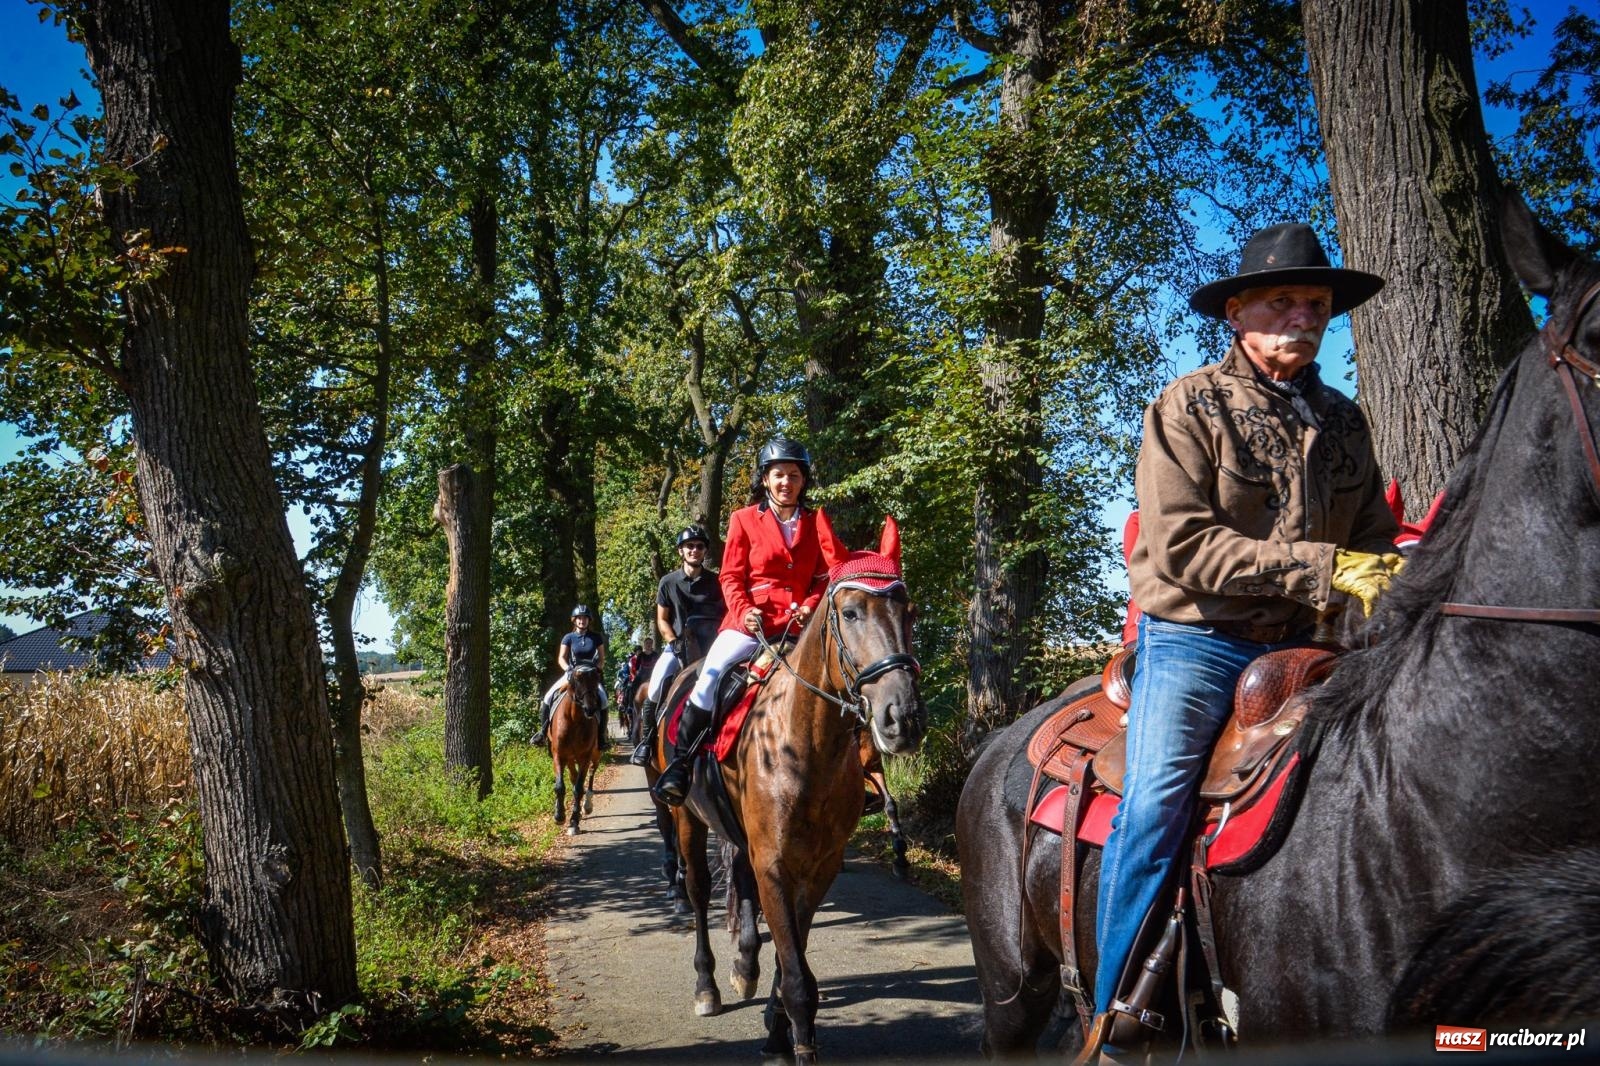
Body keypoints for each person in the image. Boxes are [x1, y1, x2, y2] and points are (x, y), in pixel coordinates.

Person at [1091, 223, 1404, 1041]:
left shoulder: (1346, 421)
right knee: (1154, 808)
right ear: (1236, 312)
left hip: (1314, 648)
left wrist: (1382, 570)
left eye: (1317, 304)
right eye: (1283, 300)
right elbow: (1182, 546)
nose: (1303, 315)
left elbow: (1370, 535)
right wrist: (1324, 568)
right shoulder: (1187, 406)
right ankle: (1112, 1011)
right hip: (1199, 640)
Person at [651, 438, 849, 804]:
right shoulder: (743, 519)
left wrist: (809, 604)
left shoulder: (817, 521)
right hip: (752, 624)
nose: (786, 482)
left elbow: (824, 577)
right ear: (765, 479)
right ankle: (679, 765)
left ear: (803, 480)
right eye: (778, 475)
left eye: (793, 475)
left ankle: (861, 772)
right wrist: (744, 611)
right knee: (709, 677)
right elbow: (730, 577)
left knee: (850, 677)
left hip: (801, 627)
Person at [631, 526, 725, 766]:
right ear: (681, 551)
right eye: (690, 546)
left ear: (705, 551)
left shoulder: (717, 582)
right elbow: (662, 619)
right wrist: (672, 642)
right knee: (655, 686)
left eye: (699, 546)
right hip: (678, 646)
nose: (695, 550)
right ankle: (647, 740)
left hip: (712, 647)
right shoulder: (668, 582)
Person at [531, 604, 608, 745]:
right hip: (573, 674)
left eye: (585, 618)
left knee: (603, 700)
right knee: (548, 697)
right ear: (574, 620)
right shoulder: (569, 637)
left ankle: (601, 736)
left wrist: (597, 669)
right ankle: (542, 733)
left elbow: (602, 659)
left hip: (590, 676)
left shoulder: (596, 637)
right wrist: (568, 669)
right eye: (579, 618)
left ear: (589, 620)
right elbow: (561, 658)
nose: (582, 621)